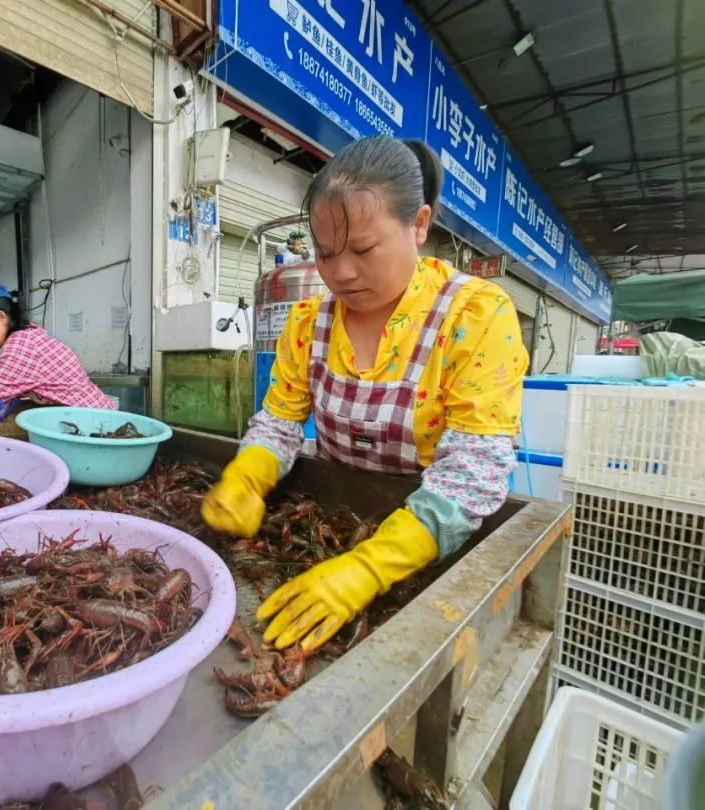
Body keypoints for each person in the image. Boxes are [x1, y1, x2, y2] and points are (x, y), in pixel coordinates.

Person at [202, 136, 528, 653]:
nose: (340, 272)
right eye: (325, 253)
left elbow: (472, 470)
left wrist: (369, 567)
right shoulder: (309, 323)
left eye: (362, 249)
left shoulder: (476, 315)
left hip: (422, 544)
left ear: (419, 225)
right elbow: (281, 423)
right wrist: (249, 475)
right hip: (330, 523)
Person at [0, 283, 117, 431]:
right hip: (97, 419)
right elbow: (4, 400)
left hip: (97, 428)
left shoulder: (22, 346)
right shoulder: (30, 335)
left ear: (1, 317)